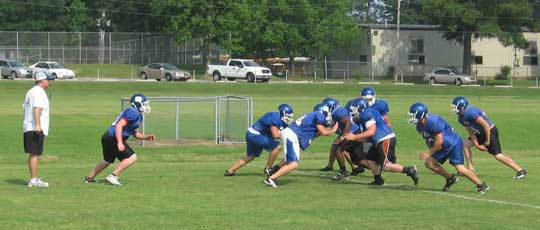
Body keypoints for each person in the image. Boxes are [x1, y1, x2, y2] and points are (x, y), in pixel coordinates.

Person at [408, 102, 490, 194]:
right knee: (429, 163)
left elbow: (439, 141)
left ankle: (482, 185)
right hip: (443, 145)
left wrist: (429, 153)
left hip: (452, 143)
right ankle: (450, 178)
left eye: (413, 115)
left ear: (421, 114)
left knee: (460, 169)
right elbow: (433, 141)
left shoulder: (431, 121)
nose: (412, 117)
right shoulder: (419, 126)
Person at [85, 93, 156, 186]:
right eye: (144, 103)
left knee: (107, 160)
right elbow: (119, 125)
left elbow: (135, 133)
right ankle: (113, 176)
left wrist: (146, 137)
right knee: (132, 157)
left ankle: (89, 178)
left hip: (108, 137)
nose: (146, 106)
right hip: (113, 138)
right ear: (138, 103)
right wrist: (119, 142)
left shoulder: (137, 114)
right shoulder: (133, 112)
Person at [344, 99, 418, 186]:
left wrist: (354, 137)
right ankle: (378, 180)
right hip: (378, 140)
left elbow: (371, 132)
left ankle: (410, 170)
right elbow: (366, 136)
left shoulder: (366, 114)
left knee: (386, 165)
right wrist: (354, 139)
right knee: (370, 158)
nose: (352, 112)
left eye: (354, 109)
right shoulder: (367, 113)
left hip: (384, 138)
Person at [451, 96, 527, 179]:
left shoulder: (470, 113)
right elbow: (471, 132)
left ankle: (520, 170)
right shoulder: (461, 118)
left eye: (455, 106)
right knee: (465, 145)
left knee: (498, 155)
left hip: (490, 131)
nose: (453, 108)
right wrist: (477, 145)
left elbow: (485, 125)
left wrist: (487, 140)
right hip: (480, 133)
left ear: (461, 106)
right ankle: (471, 168)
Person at [264, 103, 337, 188]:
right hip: (292, 135)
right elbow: (324, 132)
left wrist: (329, 130)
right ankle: (271, 179)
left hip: (289, 134)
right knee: (293, 164)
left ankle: (272, 172)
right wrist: (334, 129)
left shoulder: (312, 116)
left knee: (287, 161)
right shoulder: (318, 115)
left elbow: (316, 133)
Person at [224, 104, 294, 176]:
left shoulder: (278, 118)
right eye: (287, 116)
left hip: (252, 134)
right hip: (255, 135)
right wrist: (288, 136)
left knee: (250, 156)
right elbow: (275, 135)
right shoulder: (275, 118)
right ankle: (268, 168)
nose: (289, 118)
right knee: (277, 146)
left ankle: (230, 171)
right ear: (282, 114)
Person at [23, 72, 54, 187]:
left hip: (29, 126)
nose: (50, 82)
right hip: (34, 127)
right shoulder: (38, 92)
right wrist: (38, 125)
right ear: (41, 80)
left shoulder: (32, 91)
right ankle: (34, 180)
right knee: (35, 153)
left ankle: (34, 179)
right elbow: (37, 108)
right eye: (48, 80)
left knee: (34, 153)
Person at [319, 98, 364, 176]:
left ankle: (347, 170)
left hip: (352, 132)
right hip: (349, 131)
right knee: (334, 146)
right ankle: (330, 166)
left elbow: (348, 122)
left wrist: (343, 136)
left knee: (339, 148)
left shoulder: (338, 110)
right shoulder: (335, 112)